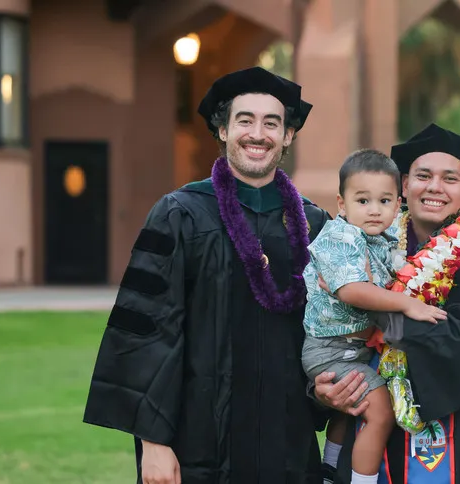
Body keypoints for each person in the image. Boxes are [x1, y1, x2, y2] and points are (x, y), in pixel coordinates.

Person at [82, 66, 332, 484]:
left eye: (272, 123)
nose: (258, 133)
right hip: (197, 444)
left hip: (286, 442)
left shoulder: (312, 224)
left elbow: (331, 332)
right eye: (244, 120)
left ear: (288, 135)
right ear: (223, 130)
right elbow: (146, 332)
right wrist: (154, 445)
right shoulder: (180, 214)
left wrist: (328, 392)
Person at [312, 123, 460, 484]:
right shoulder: (370, 245)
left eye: (450, 178)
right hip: (370, 433)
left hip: (457, 444)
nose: (433, 187)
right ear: (404, 187)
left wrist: (376, 308)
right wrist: (323, 389)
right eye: (422, 176)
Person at [301, 149, 448, 484]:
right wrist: (407, 304)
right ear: (342, 204)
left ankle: (329, 469)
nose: (374, 210)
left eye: (384, 201)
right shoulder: (342, 235)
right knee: (379, 409)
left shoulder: (383, 238)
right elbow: (352, 290)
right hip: (331, 348)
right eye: (363, 201)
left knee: (352, 409)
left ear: (398, 205)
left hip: (354, 345)